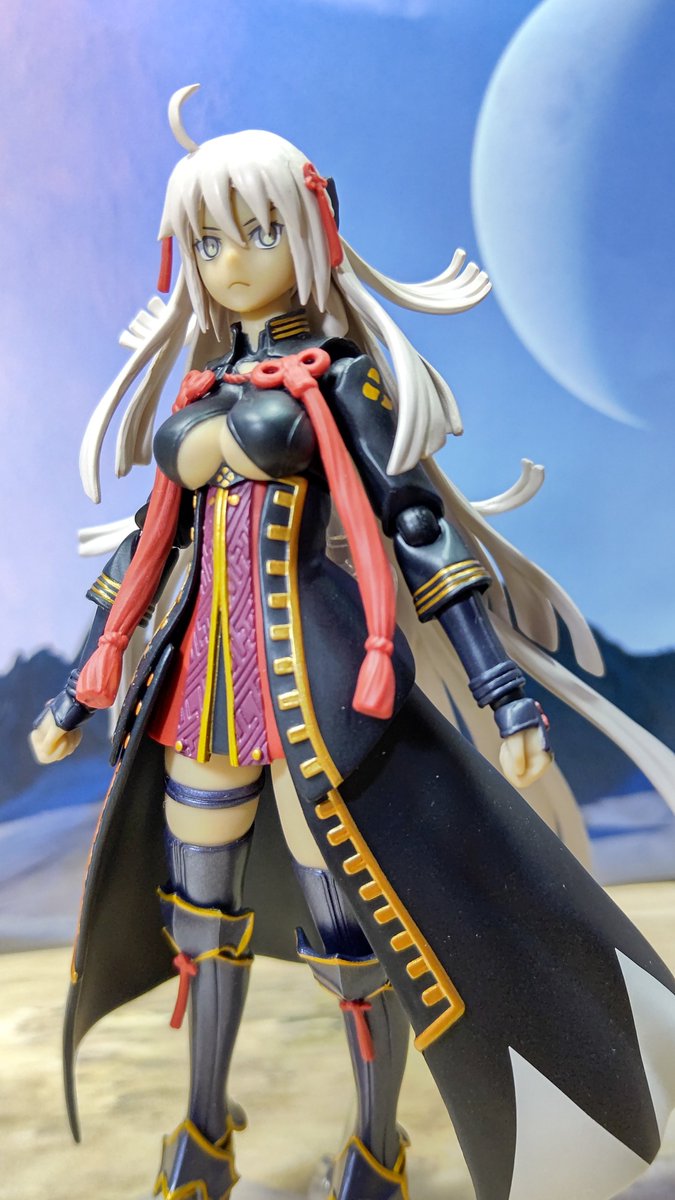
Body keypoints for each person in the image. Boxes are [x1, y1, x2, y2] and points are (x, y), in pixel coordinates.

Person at [31, 85, 675, 1200]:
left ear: (308, 230)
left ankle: (376, 1145)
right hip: (200, 682)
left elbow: (415, 523)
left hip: (320, 683)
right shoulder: (200, 394)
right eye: (209, 241)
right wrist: (78, 694)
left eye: (258, 230)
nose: (234, 260)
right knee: (199, 917)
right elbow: (147, 549)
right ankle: (203, 1130)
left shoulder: (344, 381)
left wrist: (499, 685)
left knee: (351, 922)